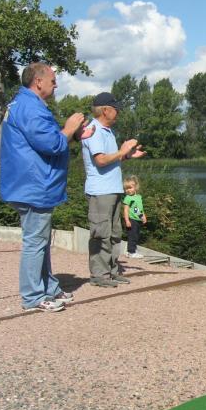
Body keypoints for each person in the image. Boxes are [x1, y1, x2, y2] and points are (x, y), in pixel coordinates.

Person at [0, 63, 89, 312]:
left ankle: (48, 287)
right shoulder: (30, 108)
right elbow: (51, 144)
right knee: (35, 242)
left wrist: (73, 134)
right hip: (33, 185)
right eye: (53, 80)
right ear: (38, 81)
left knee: (41, 240)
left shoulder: (25, 104)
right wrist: (69, 128)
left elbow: (45, 139)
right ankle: (33, 296)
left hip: (30, 183)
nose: (56, 85)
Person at [82, 92, 145, 288]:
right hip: (100, 191)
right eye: (116, 109)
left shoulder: (108, 131)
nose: (118, 112)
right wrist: (122, 151)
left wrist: (126, 156)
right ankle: (99, 275)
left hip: (113, 189)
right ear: (105, 110)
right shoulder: (94, 130)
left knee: (115, 233)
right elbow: (100, 160)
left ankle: (112, 271)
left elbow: (110, 159)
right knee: (101, 233)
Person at [122, 175, 147, 259]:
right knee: (132, 236)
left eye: (130, 188)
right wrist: (127, 220)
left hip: (137, 220)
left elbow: (136, 208)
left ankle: (131, 250)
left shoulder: (138, 197)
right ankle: (131, 252)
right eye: (126, 188)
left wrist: (143, 216)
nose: (128, 190)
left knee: (136, 235)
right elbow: (126, 210)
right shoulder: (128, 198)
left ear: (136, 187)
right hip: (131, 220)